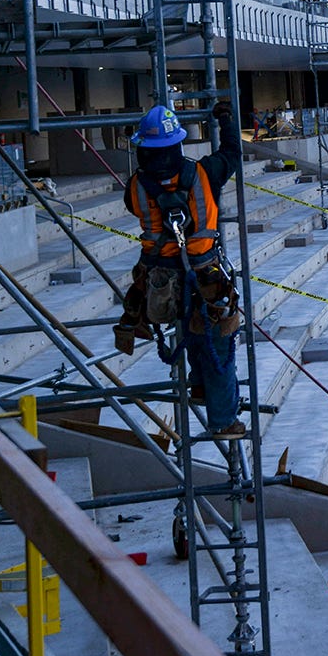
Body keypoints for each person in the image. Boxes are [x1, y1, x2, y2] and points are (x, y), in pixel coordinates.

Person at [113, 101, 247, 439]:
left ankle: (199, 388)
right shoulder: (205, 172)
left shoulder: (136, 186)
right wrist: (225, 118)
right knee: (217, 344)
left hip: (159, 279)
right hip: (204, 276)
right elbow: (233, 150)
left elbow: (135, 210)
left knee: (188, 331)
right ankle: (223, 420)